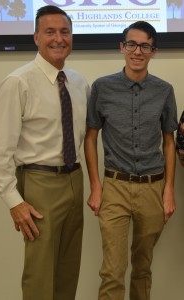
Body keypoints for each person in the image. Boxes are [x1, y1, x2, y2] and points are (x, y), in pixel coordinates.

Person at [0, 5, 90, 300]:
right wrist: (13, 201)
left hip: (74, 178)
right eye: (50, 32)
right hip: (40, 184)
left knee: (68, 270)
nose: (59, 38)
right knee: (40, 276)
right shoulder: (18, 82)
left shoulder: (79, 82)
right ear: (35, 37)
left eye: (65, 32)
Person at [84, 21, 177, 300]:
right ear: (122, 47)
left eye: (145, 46)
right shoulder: (102, 88)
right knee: (113, 270)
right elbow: (90, 138)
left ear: (153, 52)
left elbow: (169, 141)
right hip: (115, 188)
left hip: (152, 188)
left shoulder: (164, 90)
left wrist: (169, 190)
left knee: (142, 267)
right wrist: (96, 187)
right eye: (132, 44)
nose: (138, 51)